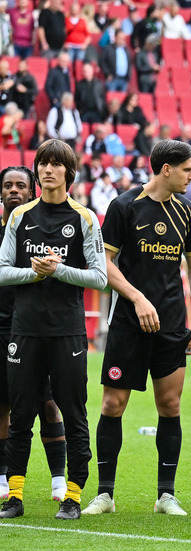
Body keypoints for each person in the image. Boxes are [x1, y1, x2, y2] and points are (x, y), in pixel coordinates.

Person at [79, 140, 191, 517]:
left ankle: (166, 495)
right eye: (187, 168)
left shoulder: (188, 210)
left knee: (170, 405)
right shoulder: (123, 206)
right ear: (166, 168)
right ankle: (105, 494)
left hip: (171, 323)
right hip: (127, 323)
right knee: (112, 404)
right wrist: (137, 298)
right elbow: (105, 263)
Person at [0, 140, 107, 520]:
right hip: (25, 330)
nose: (47, 170)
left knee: (74, 413)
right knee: (21, 415)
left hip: (67, 332)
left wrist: (58, 270)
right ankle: (14, 496)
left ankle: (73, 497)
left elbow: (100, 277)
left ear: (68, 172)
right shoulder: (19, 217)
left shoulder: (85, 218)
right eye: (42, 164)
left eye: (55, 165)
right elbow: (1, 271)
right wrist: (34, 272)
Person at [0, 165, 69, 504]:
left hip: (35, 327)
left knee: (48, 402)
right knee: (3, 405)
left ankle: (59, 479)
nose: (14, 190)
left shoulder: (41, 229)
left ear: (32, 191)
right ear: (0, 193)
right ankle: (3, 476)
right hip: (3, 329)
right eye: (8, 185)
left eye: (20, 186)